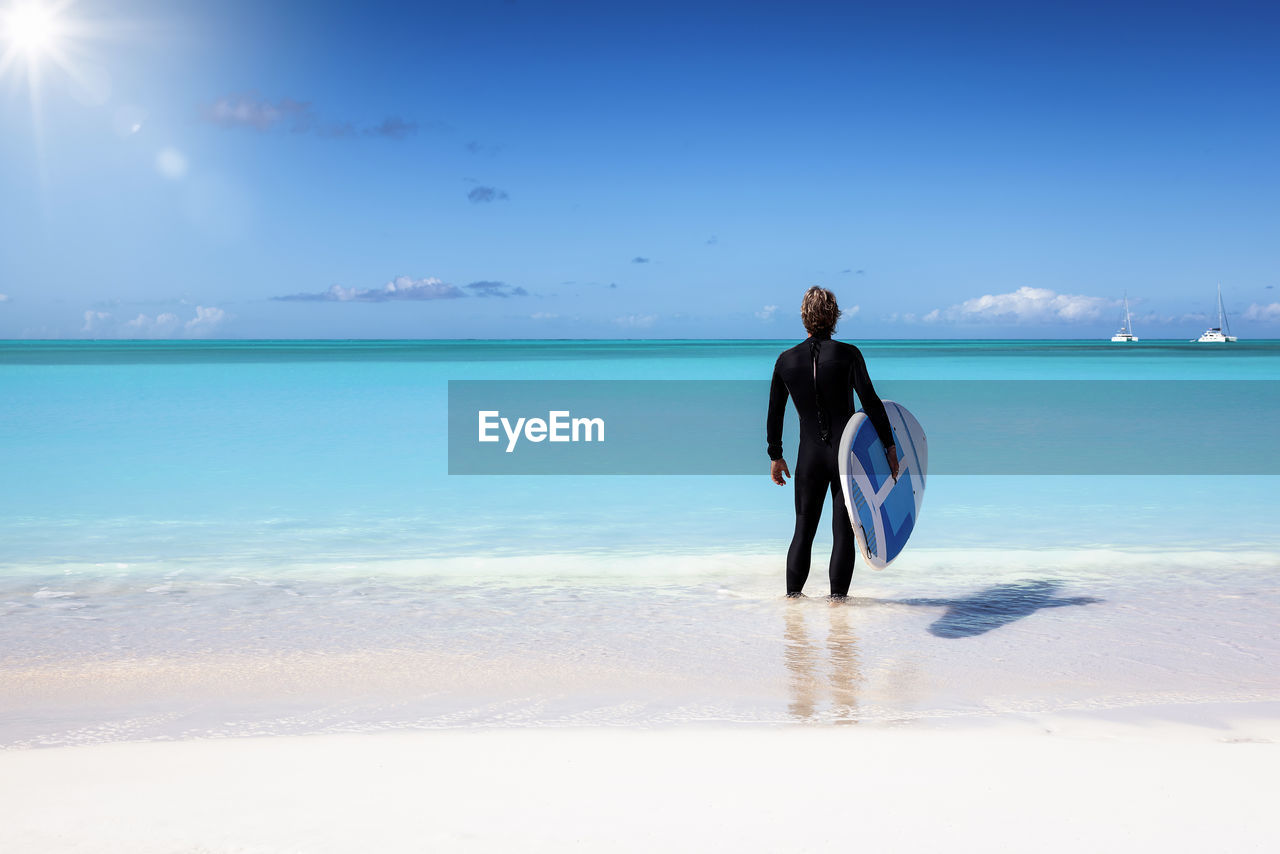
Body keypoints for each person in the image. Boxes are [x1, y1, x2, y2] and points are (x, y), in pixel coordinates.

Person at [767, 287, 898, 599]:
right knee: (844, 534)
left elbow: (775, 412)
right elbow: (871, 402)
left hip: (809, 457)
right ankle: (838, 606)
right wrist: (890, 447)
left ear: (803, 318)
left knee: (803, 530)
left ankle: (793, 605)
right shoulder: (848, 355)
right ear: (834, 316)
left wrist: (776, 454)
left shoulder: (786, 361)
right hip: (846, 457)